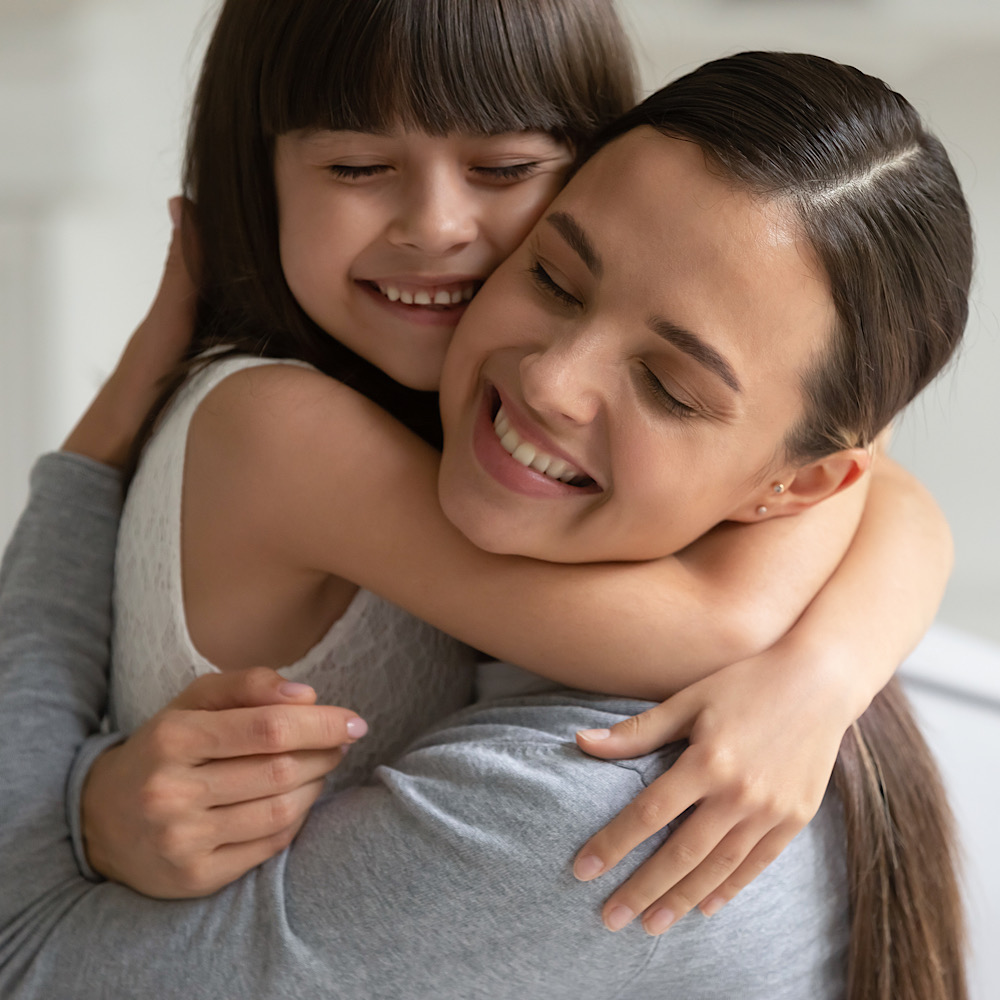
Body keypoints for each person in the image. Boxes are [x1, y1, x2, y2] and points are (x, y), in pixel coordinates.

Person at [0, 51, 970, 1000]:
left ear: (796, 488)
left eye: (669, 386)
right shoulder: (776, 586)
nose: (551, 379)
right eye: (552, 276)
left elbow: (24, 960)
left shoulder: (606, 805)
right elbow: (878, 488)